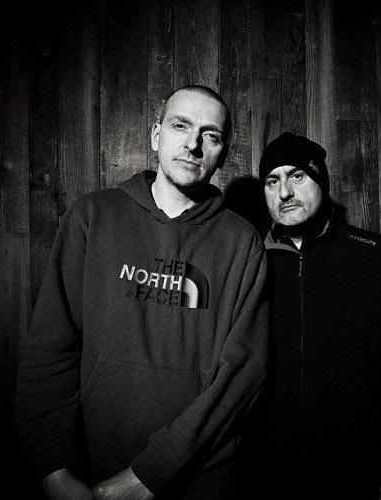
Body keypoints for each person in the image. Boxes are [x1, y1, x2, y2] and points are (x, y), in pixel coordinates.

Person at [16, 85, 268, 500]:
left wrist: (151, 473)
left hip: (199, 482)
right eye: (180, 126)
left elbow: (242, 377)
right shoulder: (93, 218)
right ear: (156, 135)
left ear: (222, 153)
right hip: (91, 473)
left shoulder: (242, 242)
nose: (193, 144)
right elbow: (50, 352)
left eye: (210, 135)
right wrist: (53, 469)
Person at [250, 132, 381, 499]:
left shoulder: (372, 255)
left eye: (297, 176)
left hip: (355, 470)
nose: (284, 192)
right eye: (272, 181)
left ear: (321, 180)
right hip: (266, 472)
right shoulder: (250, 259)